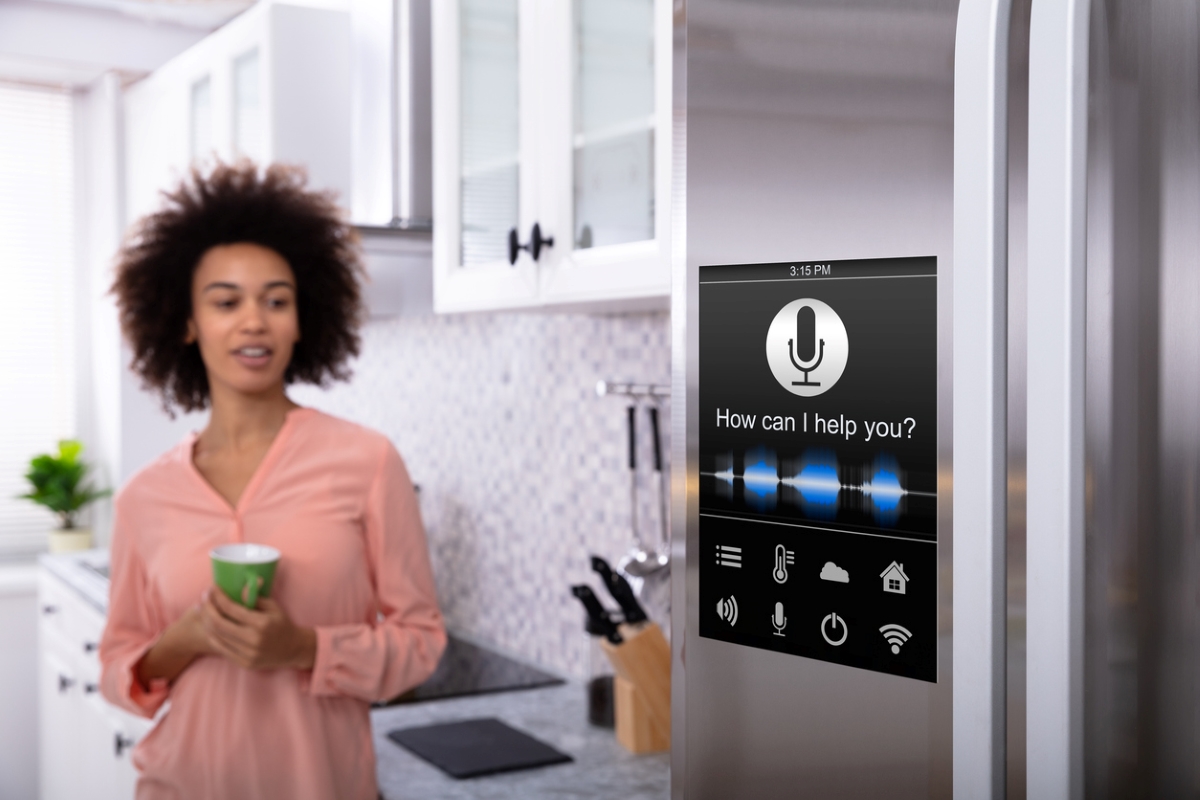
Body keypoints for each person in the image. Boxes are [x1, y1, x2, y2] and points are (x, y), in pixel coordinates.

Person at [98, 162, 446, 800]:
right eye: (226, 302)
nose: (253, 321)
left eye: (276, 300)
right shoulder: (144, 498)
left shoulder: (367, 462)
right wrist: (186, 639)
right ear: (186, 322)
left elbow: (420, 646)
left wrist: (306, 649)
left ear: (302, 319)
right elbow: (121, 671)